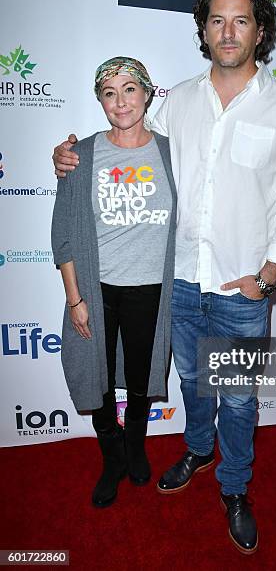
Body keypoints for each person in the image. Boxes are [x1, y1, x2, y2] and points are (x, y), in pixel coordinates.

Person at [52, 0, 276, 554]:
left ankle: (235, 487)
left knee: (239, 397)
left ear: (260, 29)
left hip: (241, 287)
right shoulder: (179, 102)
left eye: (240, 20)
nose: (228, 31)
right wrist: (70, 153)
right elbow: (134, 142)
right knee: (195, 382)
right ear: (203, 29)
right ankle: (198, 448)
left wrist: (267, 277)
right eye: (216, 19)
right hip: (180, 284)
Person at [51, 56, 177, 509]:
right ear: (100, 101)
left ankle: (136, 446)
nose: (120, 101)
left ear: (147, 93)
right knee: (98, 376)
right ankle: (112, 457)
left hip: (151, 290)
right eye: (109, 92)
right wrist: (74, 299)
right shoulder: (80, 155)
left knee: (142, 376)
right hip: (97, 290)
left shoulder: (171, 151)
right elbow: (62, 234)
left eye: (129, 89)